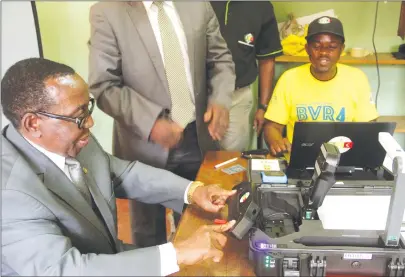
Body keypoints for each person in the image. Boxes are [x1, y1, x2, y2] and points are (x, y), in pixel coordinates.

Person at [1, 58, 237, 276]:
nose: (90, 123)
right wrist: (176, 253)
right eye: (79, 115)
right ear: (33, 124)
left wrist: (192, 191)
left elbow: (122, 173)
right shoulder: (10, 196)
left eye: (88, 107)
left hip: (108, 259)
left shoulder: (73, 136)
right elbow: (64, 270)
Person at [88, 1, 236, 247]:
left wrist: (220, 97)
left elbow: (220, 59)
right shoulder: (107, 12)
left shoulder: (198, 5)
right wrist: (151, 121)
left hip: (198, 135)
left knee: (198, 220)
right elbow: (104, 85)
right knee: (148, 232)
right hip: (144, 142)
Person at [263, 16, 379, 157]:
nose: (323, 52)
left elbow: (368, 127)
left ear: (341, 49)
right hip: (299, 160)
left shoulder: (357, 78)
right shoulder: (289, 79)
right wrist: (276, 141)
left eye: (332, 47)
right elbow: (272, 126)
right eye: (316, 46)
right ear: (307, 49)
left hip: (343, 160)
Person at [211, 1, 283, 151]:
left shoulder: (261, 5)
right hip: (197, 97)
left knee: (232, 161)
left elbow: (267, 59)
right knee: (193, 162)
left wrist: (263, 107)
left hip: (237, 98)